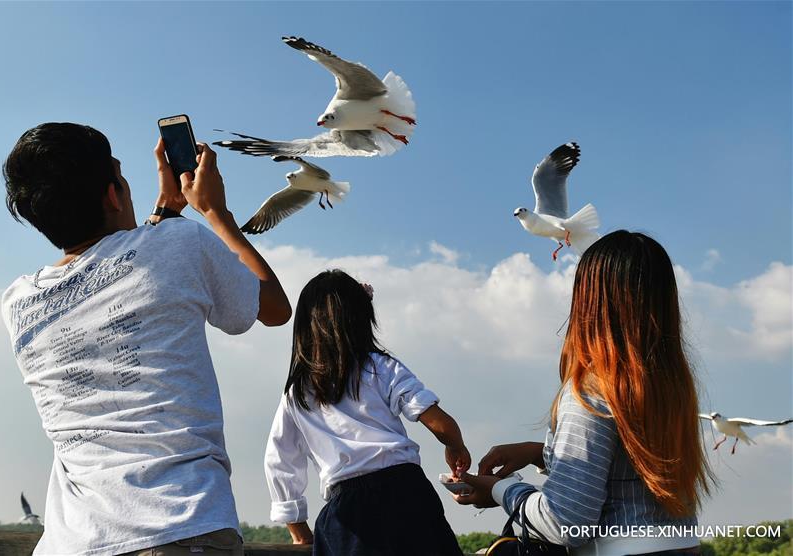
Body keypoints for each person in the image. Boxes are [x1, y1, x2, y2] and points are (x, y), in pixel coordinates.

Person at [0, 122, 291, 556]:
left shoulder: (18, 302)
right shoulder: (181, 242)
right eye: (121, 177)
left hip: (73, 543)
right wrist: (215, 212)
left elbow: (114, 270)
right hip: (179, 525)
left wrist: (164, 212)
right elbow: (273, 308)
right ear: (114, 195)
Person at [454, 231, 714, 555]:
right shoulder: (672, 389)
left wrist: (500, 490)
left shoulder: (591, 393)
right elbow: (625, 470)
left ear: (591, 303)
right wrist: (540, 453)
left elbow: (566, 523)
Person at [264, 270, 467, 556]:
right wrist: (455, 446)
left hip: (347, 512)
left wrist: (299, 532)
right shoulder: (381, 367)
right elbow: (438, 421)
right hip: (407, 493)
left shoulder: (297, 393)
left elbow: (280, 463)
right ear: (363, 318)